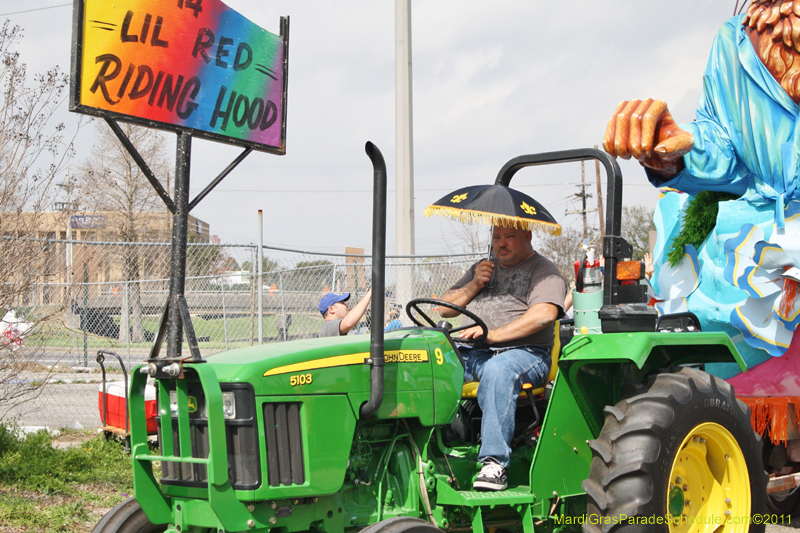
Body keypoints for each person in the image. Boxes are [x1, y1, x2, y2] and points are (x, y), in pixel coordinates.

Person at [440, 226, 567, 491]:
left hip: (523, 354)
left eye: (509, 237)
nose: (501, 244)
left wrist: (493, 335)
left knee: (498, 370)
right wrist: (475, 283)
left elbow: (544, 314)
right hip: (471, 352)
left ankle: (494, 463)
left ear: (528, 236)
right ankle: (427, 448)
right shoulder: (482, 268)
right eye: (496, 238)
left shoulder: (544, 271)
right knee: (427, 363)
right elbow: (443, 307)